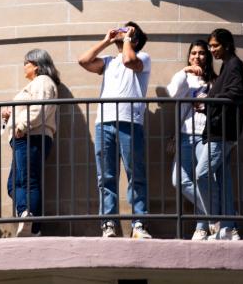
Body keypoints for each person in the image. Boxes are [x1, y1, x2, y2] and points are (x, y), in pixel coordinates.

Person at [78, 22, 152, 239]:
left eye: (127, 30)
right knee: (106, 176)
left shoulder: (143, 57)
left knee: (135, 174)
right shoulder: (109, 62)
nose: (122, 31)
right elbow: (83, 61)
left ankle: (139, 224)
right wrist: (106, 40)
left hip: (131, 122)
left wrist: (128, 38)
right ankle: (108, 223)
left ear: (135, 39)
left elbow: (130, 61)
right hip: (104, 123)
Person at [194, 28, 243, 241]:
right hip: (219, 131)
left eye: (215, 45)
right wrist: (207, 103)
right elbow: (227, 94)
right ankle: (227, 226)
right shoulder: (228, 65)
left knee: (201, 174)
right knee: (223, 180)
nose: (211, 50)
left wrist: (208, 100)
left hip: (222, 133)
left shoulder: (234, 64)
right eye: (210, 46)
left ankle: (216, 219)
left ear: (226, 45)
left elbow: (237, 92)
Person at [2, 49, 59, 237]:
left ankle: (31, 223)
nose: (23, 66)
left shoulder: (42, 81)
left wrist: (22, 126)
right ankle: (27, 216)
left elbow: (40, 108)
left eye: (26, 62)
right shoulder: (37, 83)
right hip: (25, 136)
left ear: (36, 65)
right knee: (14, 184)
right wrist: (11, 116)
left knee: (28, 181)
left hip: (30, 135)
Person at [166, 40, 215, 238]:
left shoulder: (214, 81)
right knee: (179, 180)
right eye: (193, 53)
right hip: (186, 134)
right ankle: (216, 212)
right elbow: (171, 92)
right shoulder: (185, 78)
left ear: (208, 57)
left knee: (204, 180)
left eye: (202, 53)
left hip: (206, 135)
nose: (197, 56)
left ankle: (202, 227)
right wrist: (185, 71)